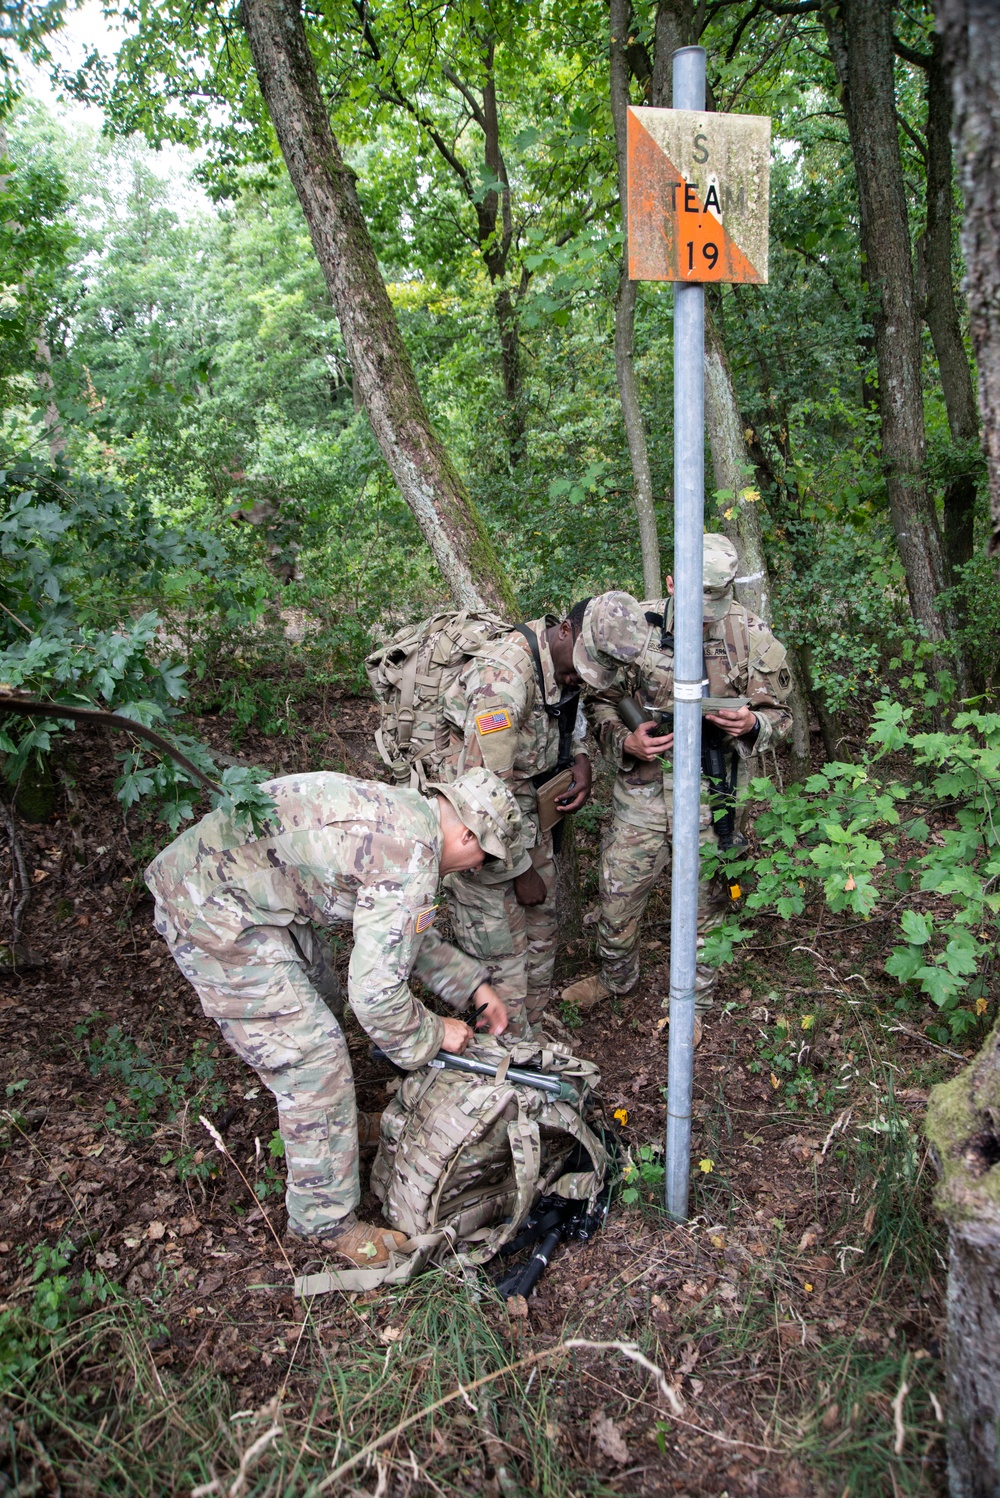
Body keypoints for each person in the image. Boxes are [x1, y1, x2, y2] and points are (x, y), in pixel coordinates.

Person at [145, 767, 522, 1266]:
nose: (477, 868)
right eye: (483, 857)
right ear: (467, 834)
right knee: (313, 1058)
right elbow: (377, 997)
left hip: (239, 891)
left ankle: (334, 1130)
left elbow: (406, 930)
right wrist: (435, 1034)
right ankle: (324, 1223)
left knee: (320, 999)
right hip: (210, 908)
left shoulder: (410, 820)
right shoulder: (411, 856)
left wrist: (472, 985)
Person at [562, 536, 793, 1037]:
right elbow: (598, 698)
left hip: (714, 797)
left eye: (716, 600)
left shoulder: (750, 636)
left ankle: (697, 1001)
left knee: (709, 904)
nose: (706, 614)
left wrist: (751, 726)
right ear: (671, 583)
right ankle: (615, 979)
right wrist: (626, 740)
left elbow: (782, 716)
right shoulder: (631, 628)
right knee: (617, 896)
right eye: (697, 600)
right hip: (642, 796)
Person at [377, 604, 601, 1030]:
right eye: (582, 669)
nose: (584, 679)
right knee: (500, 962)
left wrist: (581, 758)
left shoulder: (560, 663)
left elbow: (568, 715)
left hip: (527, 824)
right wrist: (521, 870)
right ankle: (507, 1056)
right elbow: (480, 798)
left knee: (540, 940)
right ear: (565, 631)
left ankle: (530, 1034)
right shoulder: (500, 684)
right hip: (479, 843)